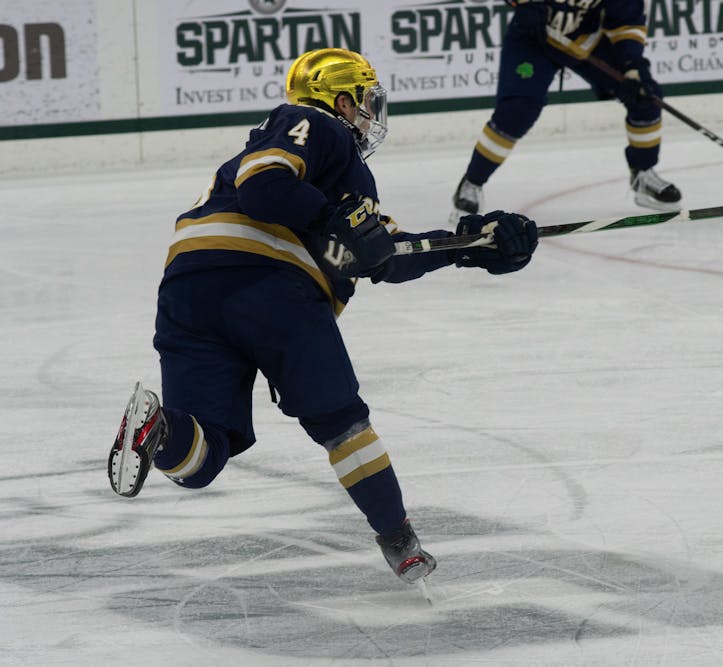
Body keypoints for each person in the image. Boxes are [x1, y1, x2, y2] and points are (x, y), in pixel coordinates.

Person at [106, 48, 538, 586]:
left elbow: (384, 254)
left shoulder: (337, 177)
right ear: (340, 99)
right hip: (271, 289)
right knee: (341, 423)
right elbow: (264, 187)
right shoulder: (312, 124)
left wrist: (474, 245)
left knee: (200, 458)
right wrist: (329, 220)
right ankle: (398, 539)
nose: (369, 114)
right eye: (364, 102)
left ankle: (157, 429)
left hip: (189, 291)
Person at [451, 0, 681, 222]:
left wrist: (632, 65)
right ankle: (472, 181)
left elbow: (627, 19)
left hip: (585, 39)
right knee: (517, 111)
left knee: (645, 95)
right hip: (533, 37)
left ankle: (643, 174)